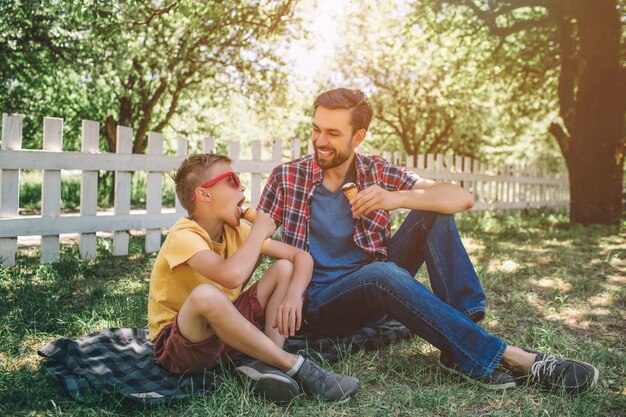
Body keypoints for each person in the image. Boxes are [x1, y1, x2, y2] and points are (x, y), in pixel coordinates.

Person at [257, 87, 599, 394]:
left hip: (373, 291)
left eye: (333, 133)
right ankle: (513, 357)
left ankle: (459, 341)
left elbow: (459, 197)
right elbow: (254, 242)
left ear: (358, 137)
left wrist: (397, 198)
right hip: (320, 303)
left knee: (432, 213)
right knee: (384, 274)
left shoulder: (376, 170)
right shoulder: (287, 177)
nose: (320, 140)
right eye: (316, 129)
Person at [147, 153, 360, 403]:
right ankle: (296, 366)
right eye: (232, 180)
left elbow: (300, 256)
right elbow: (231, 277)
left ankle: (267, 363)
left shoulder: (237, 230)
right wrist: (258, 233)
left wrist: (294, 295)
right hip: (180, 345)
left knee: (284, 268)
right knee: (206, 295)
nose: (243, 187)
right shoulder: (183, 236)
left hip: (225, 333)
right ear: (204, 194)